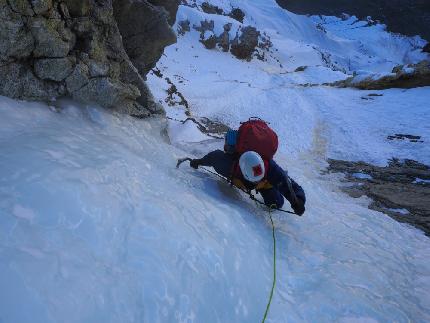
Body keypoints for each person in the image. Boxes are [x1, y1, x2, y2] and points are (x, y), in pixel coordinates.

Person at [189, 150, 306, 215]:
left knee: (275, 204)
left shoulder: (271, 169)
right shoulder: (228, 164)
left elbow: (291, 185)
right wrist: (199, 162)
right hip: (240, 176)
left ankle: (267, 187)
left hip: (265, 183)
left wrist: (298, 201)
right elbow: (213, 157)